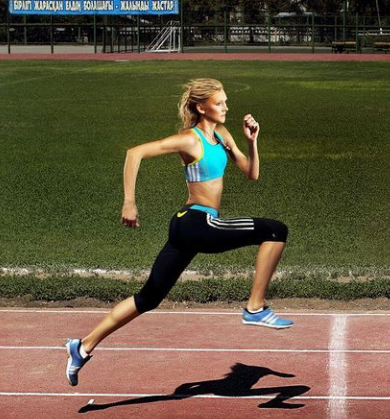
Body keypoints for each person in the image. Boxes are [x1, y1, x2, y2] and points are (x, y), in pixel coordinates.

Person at [65, 78, 292, 387]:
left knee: (148, 298)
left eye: (225, 101)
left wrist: (252, 140)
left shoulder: (222, 135)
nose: (226, 107)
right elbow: (134, 153)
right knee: (275, 231)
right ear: (201, 107)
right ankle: (254, 307)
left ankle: (82, 346)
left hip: (188, 227)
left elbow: (251, 174)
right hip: (198, 223)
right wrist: (129, 202)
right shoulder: (190, 139)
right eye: (219, 102)